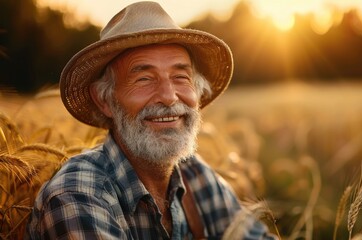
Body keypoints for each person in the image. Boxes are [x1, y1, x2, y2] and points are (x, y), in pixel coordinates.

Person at [25, 1, 277, 239]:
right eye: (144, 79)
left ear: (197, 93)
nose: (169, 97)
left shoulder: (195, 175)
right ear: (105, 100)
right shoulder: (77, 195)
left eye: (181, 77)